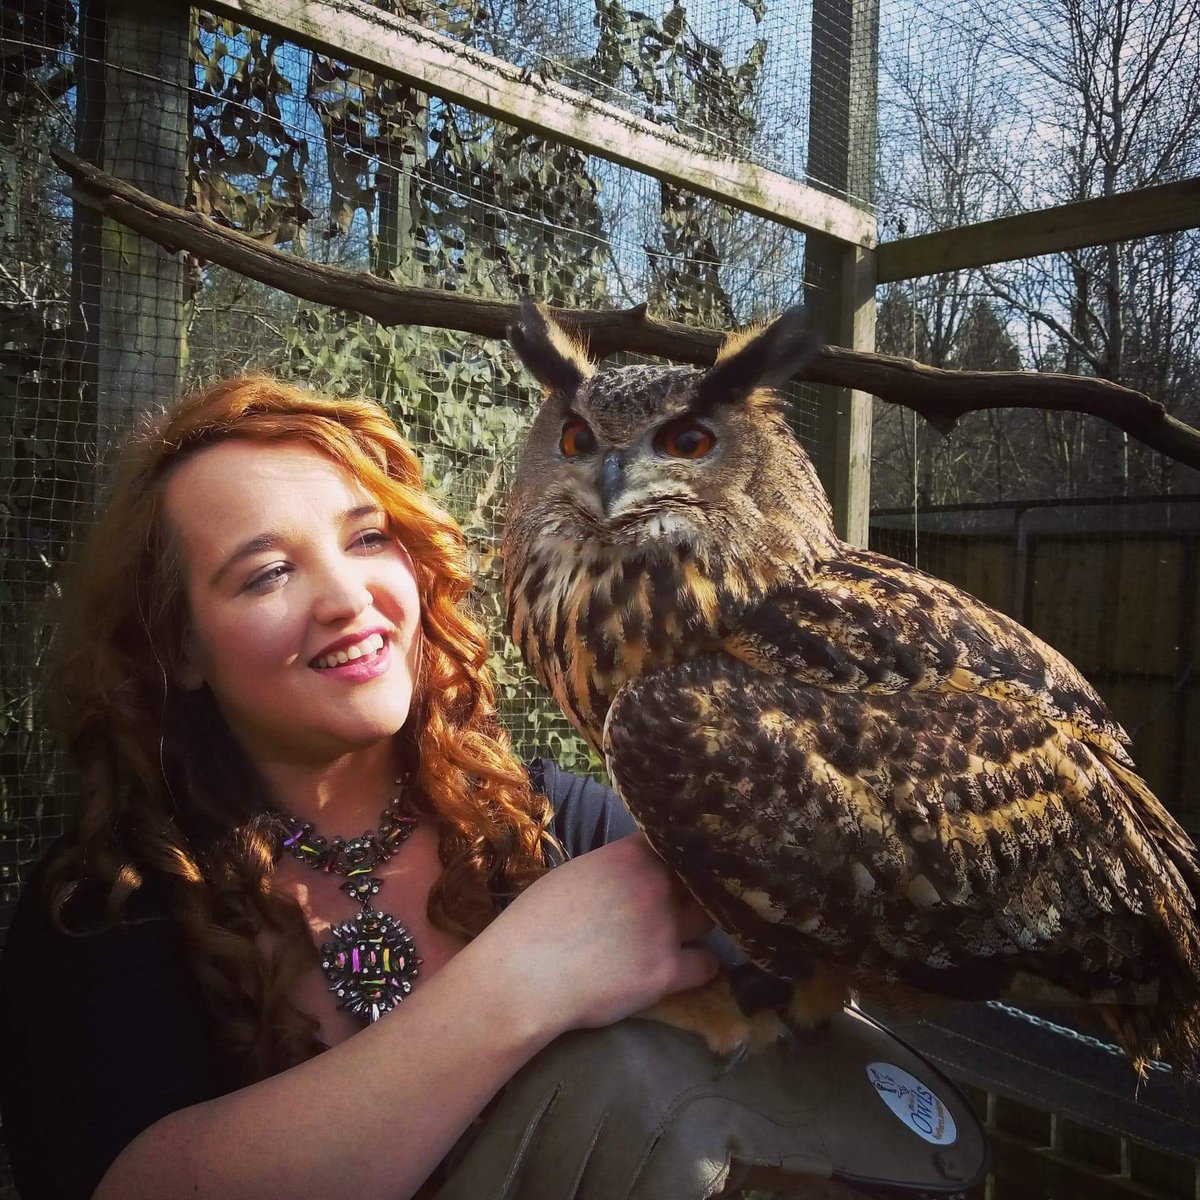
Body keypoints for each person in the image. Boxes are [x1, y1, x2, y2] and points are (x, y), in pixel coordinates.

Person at [0, 374, 987, 1200]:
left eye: (367, 538)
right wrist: (518, 984)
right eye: (266, 575)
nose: (348, 598)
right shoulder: (106, 904)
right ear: (178, 646)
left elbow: (801, 1018)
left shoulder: (561, 821)